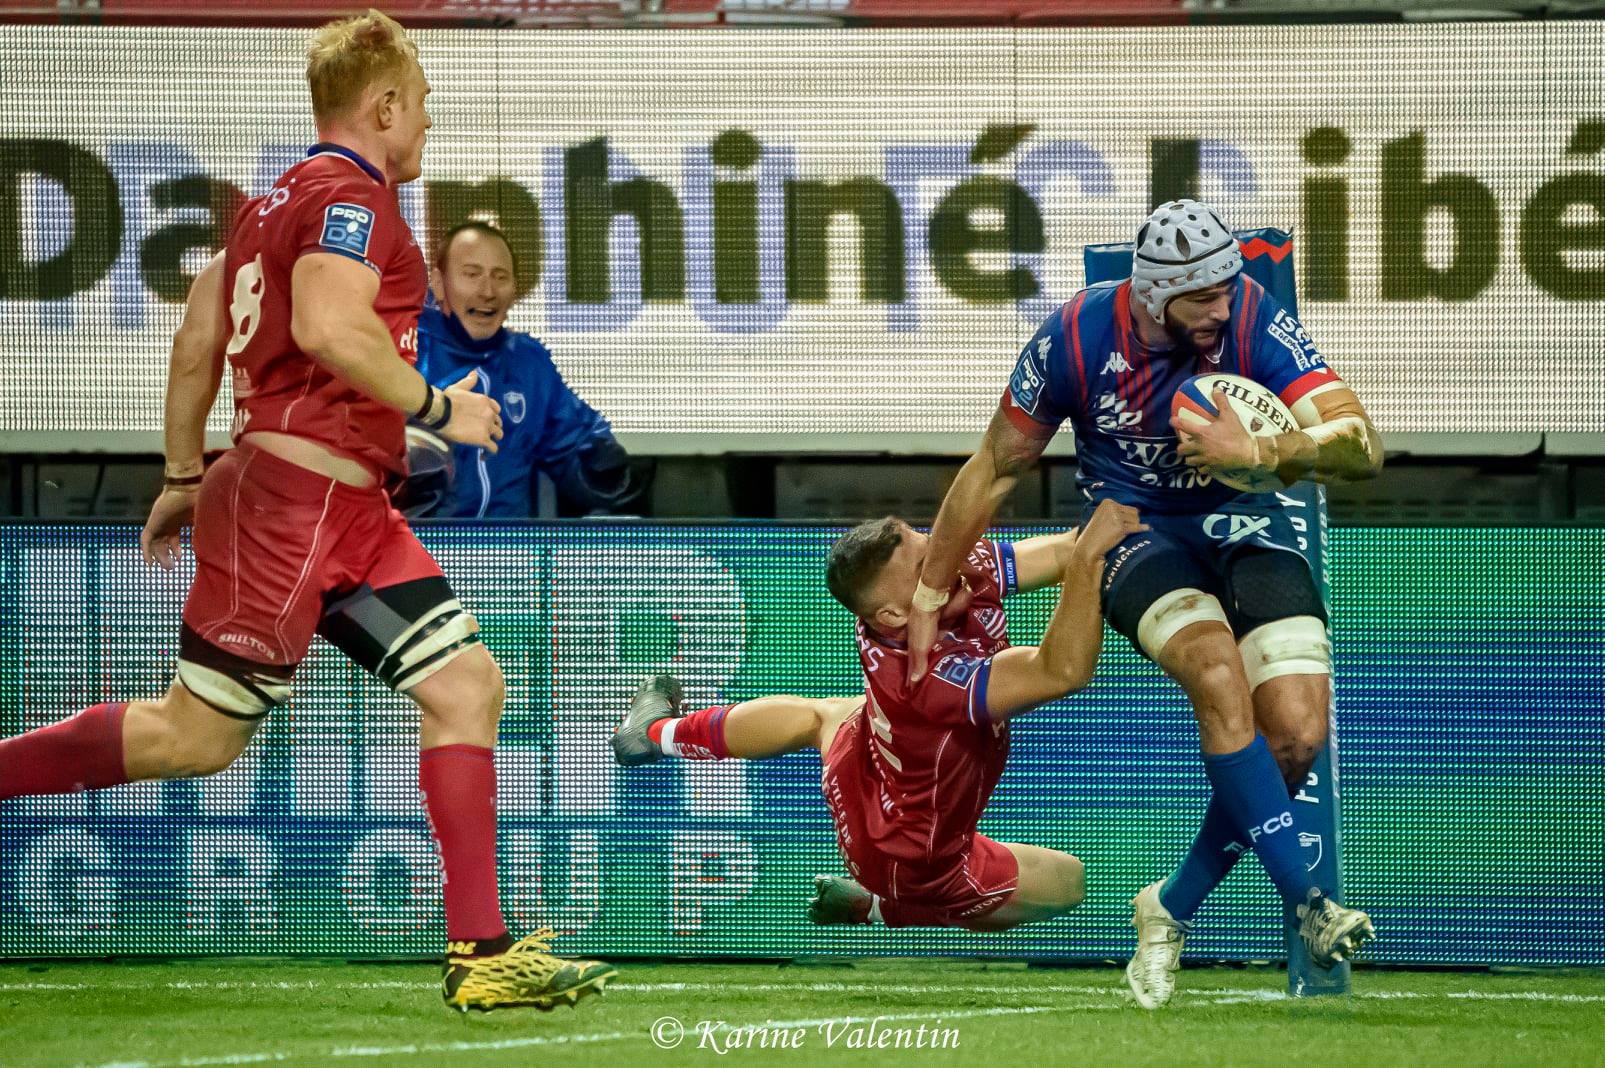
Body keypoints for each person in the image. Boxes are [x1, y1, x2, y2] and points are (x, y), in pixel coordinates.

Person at [0, 11, 614, 1013]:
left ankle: (482, 952)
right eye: (421, 108)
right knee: (191, 739)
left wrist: (186, 473)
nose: (426, 126)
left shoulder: (265, 207)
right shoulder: (351, 199)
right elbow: (330, 326)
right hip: (298, 510)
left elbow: (202, 339)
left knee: (467, 686)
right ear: (382, 107)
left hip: (336, 505)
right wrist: (436, 408)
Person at [903, 199, 1383, 1008]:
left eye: (1228, 289)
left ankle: (1167, 908)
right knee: (1212, 668)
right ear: (1155, 294)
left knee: (1296, 737)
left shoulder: (1252, 319)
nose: (1221, 308)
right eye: (1201, 297)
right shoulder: (1076, 336)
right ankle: (1308, 903)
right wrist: (925, 593)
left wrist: (1265, 449)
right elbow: (993, 466)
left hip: (1249, 524)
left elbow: (1361, 444)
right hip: (1134, 535)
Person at [612, 500, 1146, 931]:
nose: (943, 557)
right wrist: (1090, 560)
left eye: (930, 542)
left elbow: (1055, 552)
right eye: (923, 563)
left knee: (828, 715)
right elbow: (1062, 671)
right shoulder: (925, 682)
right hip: (915, 857)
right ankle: (877, 906)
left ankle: (655, 733)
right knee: (1067, 884)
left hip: (866, 766)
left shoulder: (932, 577)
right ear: (892, 614)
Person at [413, 221, 648, 518]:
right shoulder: (408, 351)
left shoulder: (529, 361)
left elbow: (572, 443)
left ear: (514, 289)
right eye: (472, 275)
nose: (488, 291)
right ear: (438, 283)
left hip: (514, 553)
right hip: (423, 549)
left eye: (500, 277)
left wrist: (600, 466)